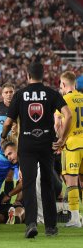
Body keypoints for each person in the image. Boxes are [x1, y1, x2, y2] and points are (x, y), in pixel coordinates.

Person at [0, 61, 72, 238]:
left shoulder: (20, 94)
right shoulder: (51, 93)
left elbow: (8, 122)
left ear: (27, 75)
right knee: (47, 184)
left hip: (27, 145)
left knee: (29, 185)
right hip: (47, 144)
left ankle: (31, 223)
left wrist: (3, 135)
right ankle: (51, 227)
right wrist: (62, 139)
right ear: (43, 75)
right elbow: (68, 114)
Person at [55, 71, 83, 227]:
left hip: (72, 146)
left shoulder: (63, 100)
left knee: (72, 182)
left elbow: (57, 124)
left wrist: (61, 140)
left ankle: (74, 218)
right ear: (76, 84)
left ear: (63, 84)